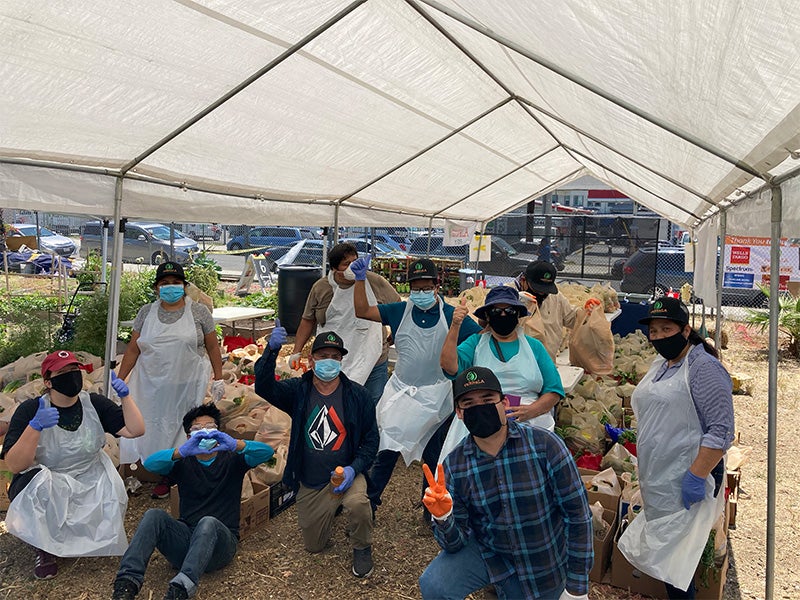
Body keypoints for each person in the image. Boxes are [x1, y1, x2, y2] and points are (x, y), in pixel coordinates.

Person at [418, 366, 592, 600]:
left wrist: (577, 588)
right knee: (435, 585)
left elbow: (578, 515)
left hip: (543, 561)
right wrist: (443, 518)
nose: (479, 407)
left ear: (505, 402)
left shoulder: (545, 446)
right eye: (468, 404)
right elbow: (455, 544)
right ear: (459, 413)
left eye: (488, 399)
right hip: (491, 554)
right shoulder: (454, 466)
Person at [618, 297, 734, 599]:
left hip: (687, 472)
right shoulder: (664, 364)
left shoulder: (704, 367)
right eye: (653, 331)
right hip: (659, 472)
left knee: (677, 556)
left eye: (665, 329)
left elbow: (720, 430)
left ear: (685, 330)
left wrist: (696, 476)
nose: (658, 337)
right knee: (668, 551)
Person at [351, 257, 482, 518]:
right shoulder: (399, 311)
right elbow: (362, 311)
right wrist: (359, 280)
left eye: (426, 287)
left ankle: (430, 509)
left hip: (438, 396)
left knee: (434, 456)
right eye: (416, 288)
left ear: (437, 286)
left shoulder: (450, 315)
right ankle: (370, 503)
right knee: (387, 447)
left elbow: (479, 337)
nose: (420, 293)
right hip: (402, 391)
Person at [1, 350, 145, 580]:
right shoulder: (30, 410)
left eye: (74, 369)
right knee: (33, 486)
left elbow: (135, 430)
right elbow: (16, 464)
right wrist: (35, 427)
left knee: (109, 489)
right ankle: (45, 547)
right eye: (63, 372)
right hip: (51, 476)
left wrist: (126, 398)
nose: (71, 375)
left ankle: (83, 535)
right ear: (48, 381)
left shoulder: (94, 403)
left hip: (89, 472)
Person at [111, 403, 274, 600]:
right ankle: (126, 583)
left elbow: (266, 453)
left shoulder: (232, 460)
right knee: (154, 515)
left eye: (210, 428)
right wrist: (181, 452)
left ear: (219, 433)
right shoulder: (182, 462)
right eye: (198, 430)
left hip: (221, 544)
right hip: (187, 539)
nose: (205, 433)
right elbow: (150, 464)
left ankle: (181, 589)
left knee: (208, 522)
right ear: (189, 437)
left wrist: (235, 444)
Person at [254, 325, 379, 578]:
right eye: (323, 356)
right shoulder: (298, 391)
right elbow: (264, 388)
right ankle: (331, 509)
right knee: (313, 546)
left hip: (346, 475)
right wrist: (270, 351)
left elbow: (371, 441)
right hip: (310, 481)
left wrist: (354, 469)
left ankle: (362, 546)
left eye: (335, 357)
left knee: (358, 504)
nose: (329, 362)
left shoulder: (359, 396)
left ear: (342, 360)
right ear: (311, 359)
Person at [117, 261, 225, 499]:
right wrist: (120, 380)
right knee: (152, 426)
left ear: (184, 286)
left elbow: (212, 346)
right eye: (165, 284)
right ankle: (153, 470)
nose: (170, 287)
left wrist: (219, 378)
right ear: (157, 288)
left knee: (182, 429)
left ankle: (175, 478)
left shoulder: (199, 312)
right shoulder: (146, 313)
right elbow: (134, 349)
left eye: (176, 283)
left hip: (186, 385)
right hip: (150, 385)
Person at [440, 285, 564, 448]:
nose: (503, 315)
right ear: (488, 317)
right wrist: (455, 325)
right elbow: (449, 366)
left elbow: (554, 390)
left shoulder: (535, 347)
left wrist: (532, 410)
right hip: (481, 420)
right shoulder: (476, 344)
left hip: (528, 422)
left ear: (519, 315)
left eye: (510, 311)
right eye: (496, 312)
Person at [288, 242, 400, 404]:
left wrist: (394, 335)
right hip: (333, 362)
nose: (352, 267)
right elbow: (308, 320)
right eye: (346, 264)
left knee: (372, 404)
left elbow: (398, 308)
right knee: (337, 405)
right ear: (335, 269)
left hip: (372, 359)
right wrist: (296, 351)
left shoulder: (374, 282)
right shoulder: (322, 288)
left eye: (354, 261)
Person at [517, 260, 580, 361]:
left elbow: (571, 318)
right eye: (537, 289)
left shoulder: (556, 298)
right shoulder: (508, 295)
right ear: (524, 280)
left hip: (547, 362)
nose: (542, 293)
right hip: (518, 365)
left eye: (545, 290)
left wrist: (588, 312)